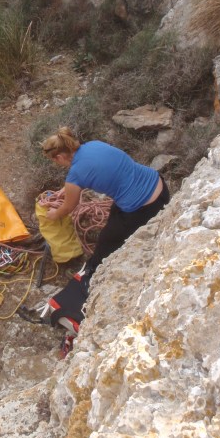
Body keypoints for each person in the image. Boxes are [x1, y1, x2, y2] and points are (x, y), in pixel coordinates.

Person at [41, 126, 170, 313]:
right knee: (114, 214)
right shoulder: (93, 145)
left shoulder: (75, 175)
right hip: (158, 185)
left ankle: (92, 275)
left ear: (59, 157)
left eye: (55, 161)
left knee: (107, 241)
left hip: (144, 208)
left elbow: (68, 207)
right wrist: (67, 189)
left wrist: (54, 214)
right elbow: (99, 169)